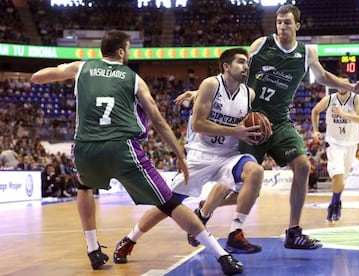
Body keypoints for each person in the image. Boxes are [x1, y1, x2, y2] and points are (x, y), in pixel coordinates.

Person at [31, 30, 242, 275]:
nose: (129, 53)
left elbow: (37, 78)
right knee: (170, 203)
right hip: (122, 149)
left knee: (83, 186)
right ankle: (222, 255)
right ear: (121, 51)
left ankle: (92, 249)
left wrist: (63, 72)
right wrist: (180, 156)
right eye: (129, 49)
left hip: (85, 148)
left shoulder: (82, 68)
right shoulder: (133, 78)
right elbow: (159, 120)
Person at [176, 4, 359, 250]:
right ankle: (204, 212)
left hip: (279, 122)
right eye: (279, 22)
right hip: (251, 120)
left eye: (287, 22)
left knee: (303, 167)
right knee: (234, 179)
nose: (282, 26)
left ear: (297, 26)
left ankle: (293, 231)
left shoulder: (307, 52)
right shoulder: (261, 45)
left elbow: (322, 76)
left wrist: (351, 86)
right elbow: (236, 73)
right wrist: (201, 90)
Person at [112, 48, 265, 264]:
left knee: (256, 173)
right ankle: (130, 239)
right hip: (200, 156)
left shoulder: (249, 94)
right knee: (167, 205)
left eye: (247, 63)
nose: (246, 67)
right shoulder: (211, 84)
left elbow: (247, 123)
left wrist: (250, 133)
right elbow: (199, 124)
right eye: (241, 62)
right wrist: (235, 130)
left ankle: (235, 233)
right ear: (226, 66)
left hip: (228, 156)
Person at [311, 74, 359, 222]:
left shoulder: (356, 99)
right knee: (338, 175)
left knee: (342, 180)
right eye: (339, 83)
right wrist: (316, 130)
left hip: (351, 144)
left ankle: (336, 200)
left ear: (349, 85)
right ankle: (334, 205)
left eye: (345, 83)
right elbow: (315, 111)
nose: (341, 86)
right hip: (334, 143)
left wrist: (344, 114)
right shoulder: (329, 99)